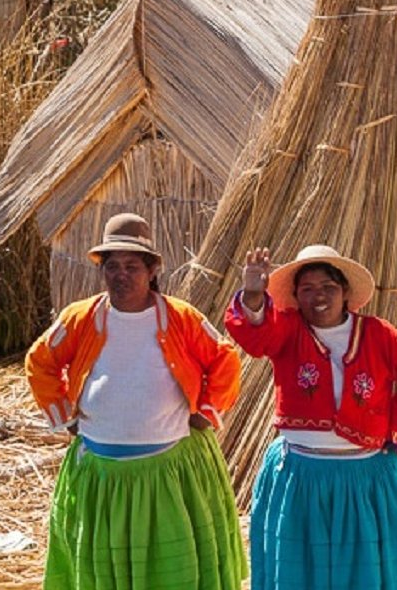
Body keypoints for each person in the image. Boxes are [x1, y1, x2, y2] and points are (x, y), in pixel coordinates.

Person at [25, 213, 247, 589]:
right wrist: (65, 417)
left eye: (132, 266)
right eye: (112, 266)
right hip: (101, 473)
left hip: (169, 469)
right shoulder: (81, 318)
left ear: (152, 269)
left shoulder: (180, 317)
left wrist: (208, 410)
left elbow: (224, 357)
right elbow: (40, 361)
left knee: (168, 567)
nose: (121, 275)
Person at [226, 244, 397, 590]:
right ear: (296, 298)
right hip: (301, 475)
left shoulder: (378, 334)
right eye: (307, 289)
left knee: (368, 568)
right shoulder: (287, 329)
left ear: (345, 294)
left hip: (366, 477)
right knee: (302, 567)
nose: (319, 296)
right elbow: (254, 335)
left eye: (328, 287)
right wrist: (253, 294)